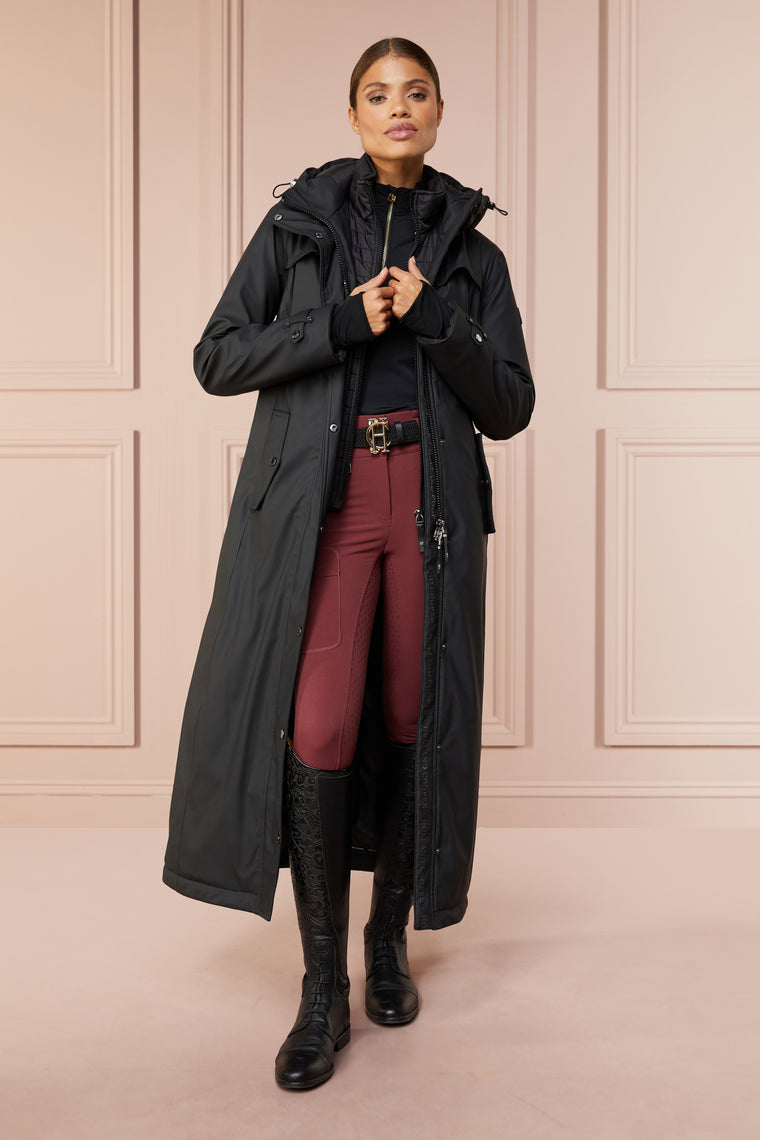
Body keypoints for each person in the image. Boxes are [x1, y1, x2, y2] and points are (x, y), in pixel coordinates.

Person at [163, 37, 535, 1091]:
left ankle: (387, 943)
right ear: (354, 114)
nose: (398, 106)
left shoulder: (473, 255)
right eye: (378, 93)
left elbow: (511, 404)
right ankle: (321, 983)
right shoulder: (298, 228)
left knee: (416, 714)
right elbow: (217, 355)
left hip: (430, 509)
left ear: (439, 111)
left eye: (415, 92)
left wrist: (435, 319)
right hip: (327, 509)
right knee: (320, 724)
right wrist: (338, 321)